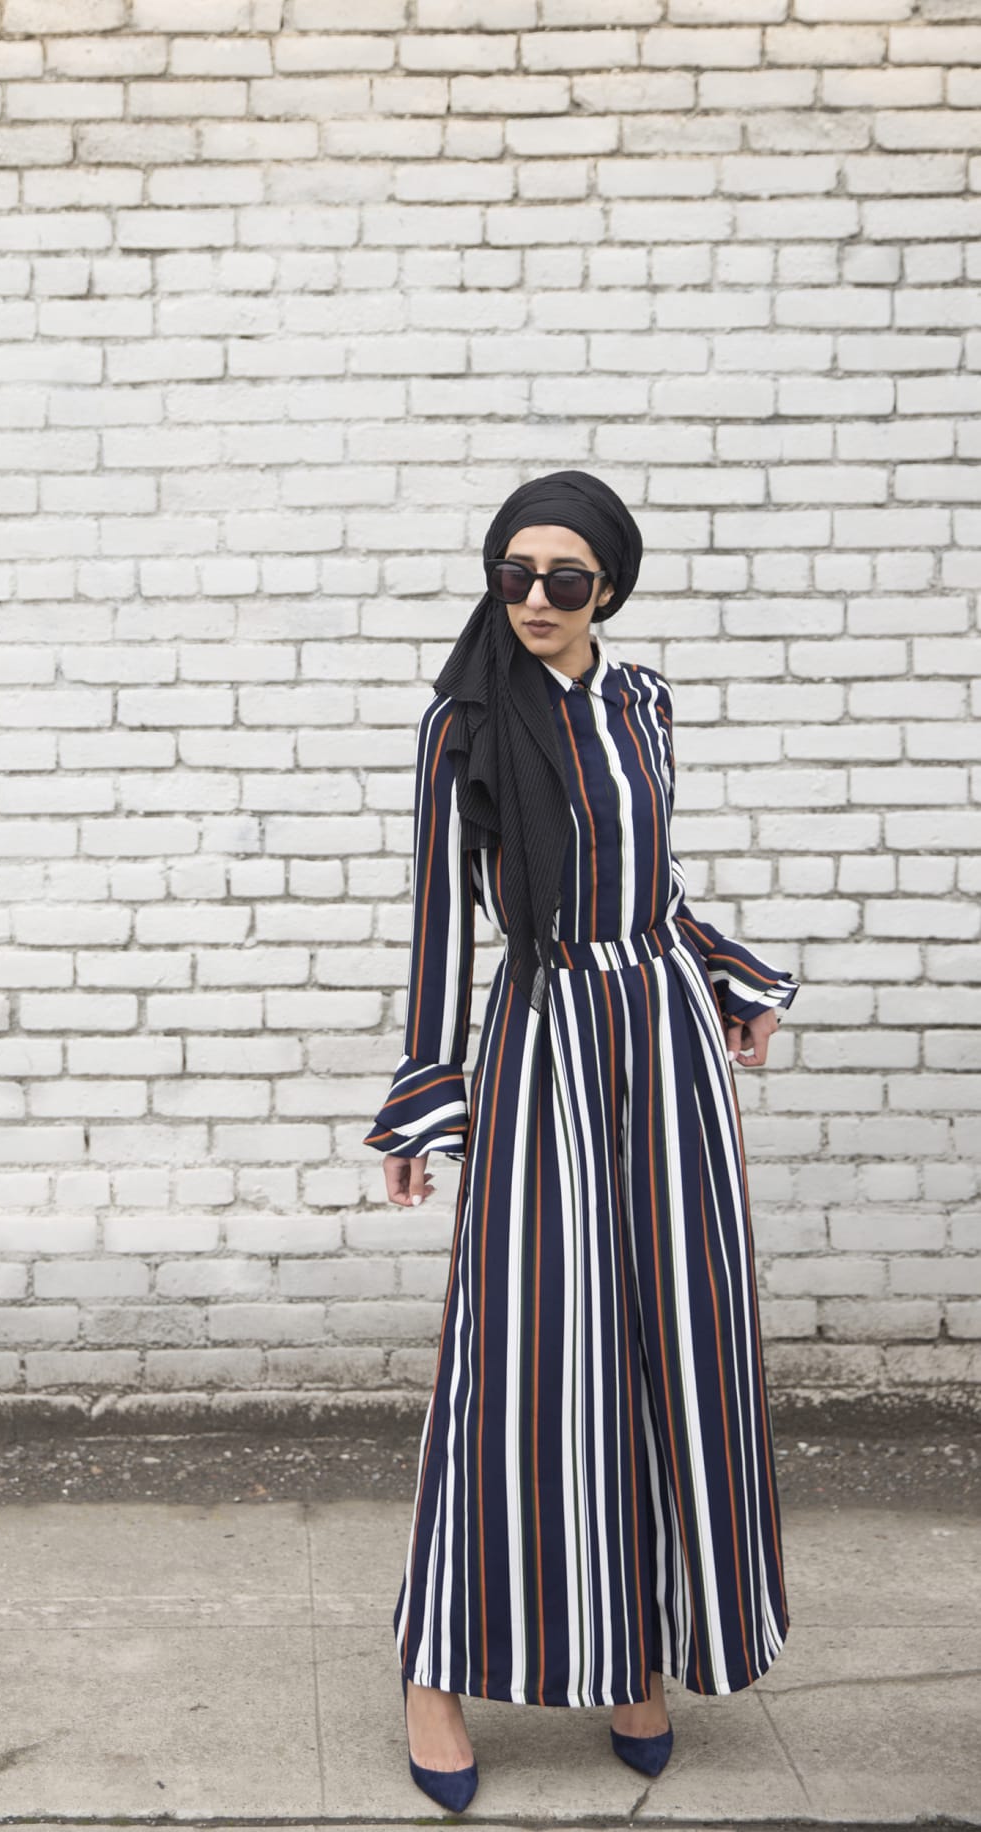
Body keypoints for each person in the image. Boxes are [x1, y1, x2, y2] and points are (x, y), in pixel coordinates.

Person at [364, 471, 798, 1812]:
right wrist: (427, 1095)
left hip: (661, 1048)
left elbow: (655, 889)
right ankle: (436, 1672)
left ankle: (628, 1654)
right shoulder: (465, 725)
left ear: (608, 585)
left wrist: (727, 974)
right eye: (513, 575)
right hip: (544, 1044)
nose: (536, 601)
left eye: (564, 579)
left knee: (670, 1348)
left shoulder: (643, 703)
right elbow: (445, 922)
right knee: (526, 1363)